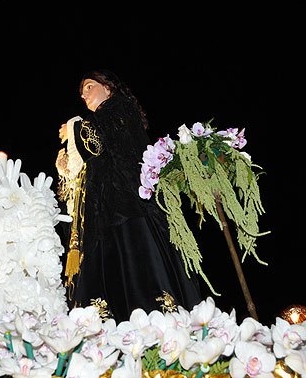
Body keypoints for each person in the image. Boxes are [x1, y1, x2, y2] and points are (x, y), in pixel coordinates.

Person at [56, 69, 201, 321]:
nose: (84, 95)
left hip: (127, 208)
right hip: (105, 214)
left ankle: (155, 322)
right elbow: (93, 157)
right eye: (81, 93)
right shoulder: (103, 119)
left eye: (89, 87)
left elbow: (96, 143)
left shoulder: (120, 109)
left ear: (108, 87)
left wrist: (73, 127)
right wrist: (67, 165)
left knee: (138, 266)